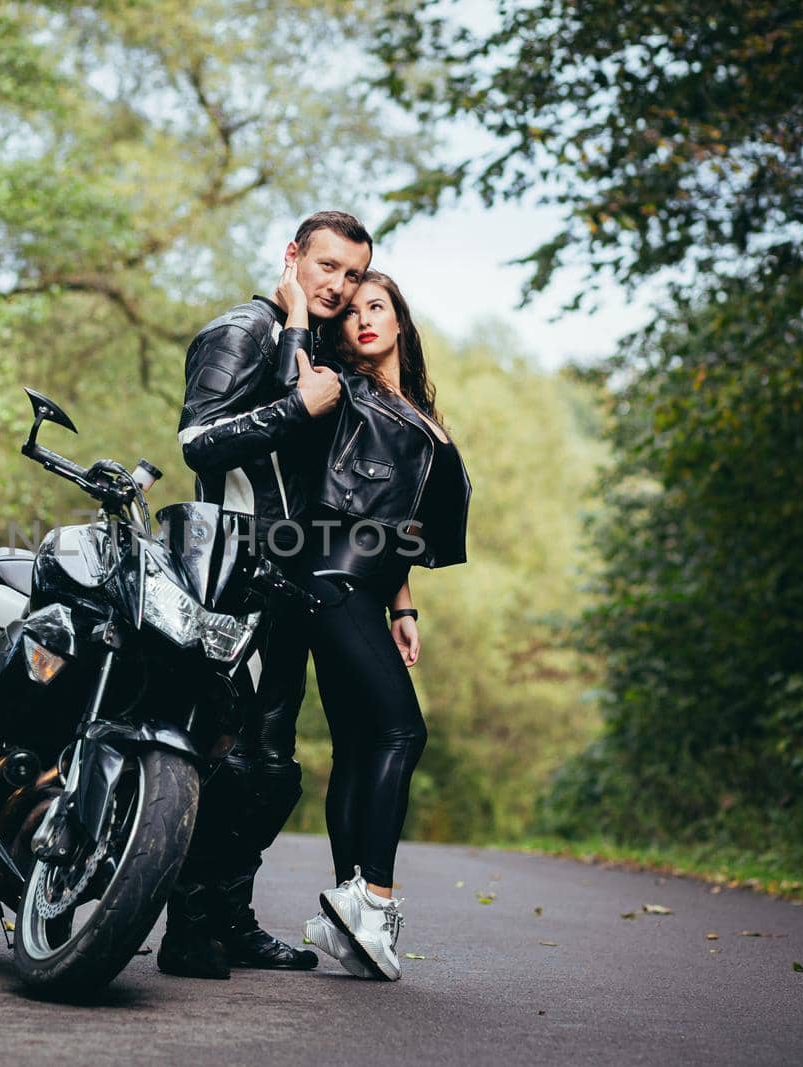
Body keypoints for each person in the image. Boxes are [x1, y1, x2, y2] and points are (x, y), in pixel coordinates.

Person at [161, 211, 373, 979]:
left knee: (274, 769)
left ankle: (229, 918)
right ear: (293, 256)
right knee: (230, 759)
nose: (339, 286)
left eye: (352, 275)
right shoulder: (241, 331)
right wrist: (296, 406)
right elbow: (195, 440)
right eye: (327, 266)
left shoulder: (313, 347)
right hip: (232, 573)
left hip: (293, 584)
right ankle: (187, 929)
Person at [290, 269, 472, 981]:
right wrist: (298, 303)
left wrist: (403, 606)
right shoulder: (345, 386)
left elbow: (392, 520)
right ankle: (374, 897)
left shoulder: (413, 405)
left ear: (400, 320)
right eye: (353, 312)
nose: (364, 318)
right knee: (404, 731)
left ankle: (349, 914)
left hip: (365, 592)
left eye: (377, 307)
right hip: (332, 583)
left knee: (362, 745)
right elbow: (296, 368)